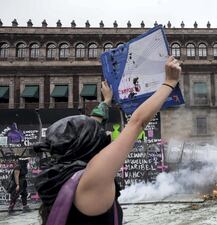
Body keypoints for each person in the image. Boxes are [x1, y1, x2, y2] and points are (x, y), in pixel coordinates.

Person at [34, 56, 181, 225]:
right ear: (88, 146)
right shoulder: (91, 180)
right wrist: (170, 82)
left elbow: (88, 131)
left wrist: (106, 102)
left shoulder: (61, 176)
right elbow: (136, 123)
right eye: (99, 135)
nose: (107, 135)